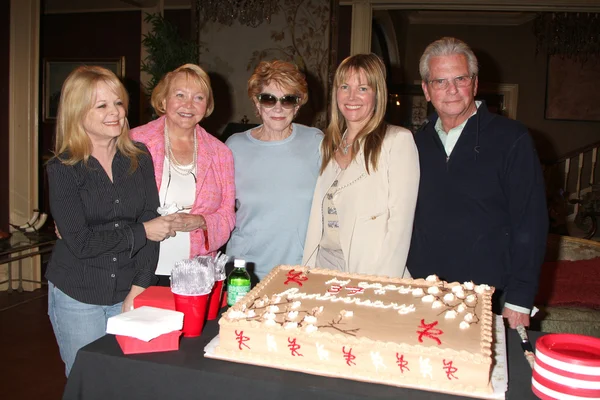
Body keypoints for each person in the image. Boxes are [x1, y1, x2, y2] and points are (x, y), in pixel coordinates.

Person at [407, 37, 548, 328]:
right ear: (426, 89)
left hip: (489, 297)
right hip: (422, 294)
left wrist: (520, 299)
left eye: (460, 78)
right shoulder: (412, 144)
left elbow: (530, 224)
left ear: (475, 83)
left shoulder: (511, 139)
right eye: (440, 81)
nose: (452, 90)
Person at [46, 66, 176, 376]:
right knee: (88, 380)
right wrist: (142, 232)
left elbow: (151, 220)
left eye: (118, 102)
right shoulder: (63, 168)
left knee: (127, 381)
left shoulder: (139, 157)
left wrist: (139, 286)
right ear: (78, 112)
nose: (114, 112)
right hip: (79, 293)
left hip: (130, 288)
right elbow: (81, 243)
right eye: (101, 105)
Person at [302, 53, 420, 278]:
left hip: (370, 270)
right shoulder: (327, 144)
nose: (351, 96)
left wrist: (382, 283)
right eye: (344, 86)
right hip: (322, 265)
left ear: (378, 94)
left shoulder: (397, 141)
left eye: (363, 88)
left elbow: (400, 227)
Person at [131, 64, 235, 285]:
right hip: (138, 266)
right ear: (163, 100)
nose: (189, 105)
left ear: (207, 106)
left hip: (195, 271)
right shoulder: (135, 143)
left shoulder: (220, 153)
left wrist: (200, 221)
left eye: (198, 98)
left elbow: (227, 214)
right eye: (180, 95)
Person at [225, 60, 323, 281]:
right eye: (269, 99)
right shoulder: (234, 147)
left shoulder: (316, 142)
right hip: (245, 272)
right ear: (256, 103)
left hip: (300, 273)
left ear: (298, 106)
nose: (278, 108)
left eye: (287, 100)